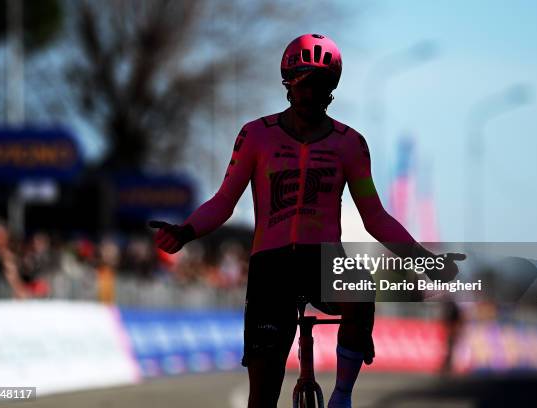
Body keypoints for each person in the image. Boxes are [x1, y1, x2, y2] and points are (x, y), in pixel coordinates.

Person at [155, 33, 464, 408]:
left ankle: (343, 396)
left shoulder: (350, 144)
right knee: (262, 397)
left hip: (324, 262)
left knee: (361, 291)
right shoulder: (255, 135)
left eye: (318, 86)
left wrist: (421, 257)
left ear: (331, 90)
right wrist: (186, 231)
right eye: (301, 85)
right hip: (271, 265)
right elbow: (223, 201)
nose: (308, 95)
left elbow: (375, 216)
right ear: (287, 84)